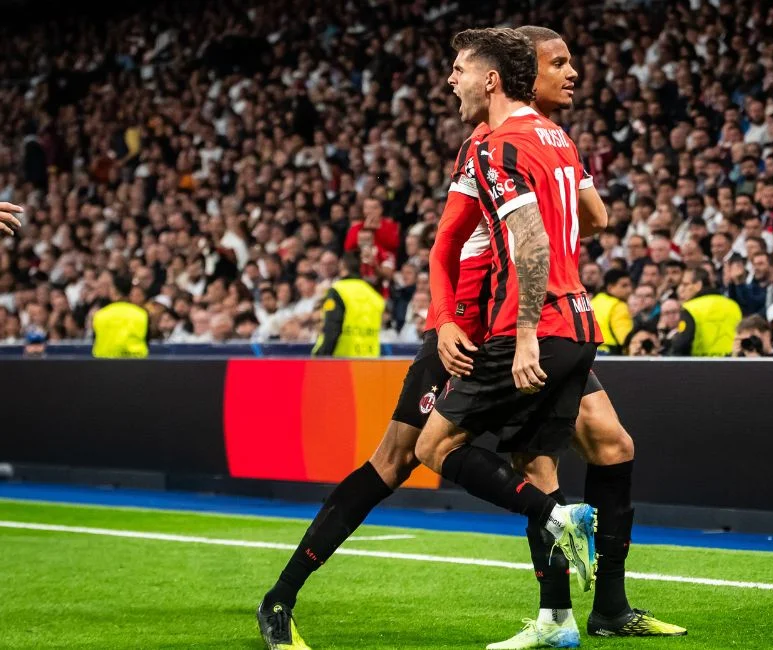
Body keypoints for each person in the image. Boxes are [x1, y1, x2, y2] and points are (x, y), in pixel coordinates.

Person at [257, 26, 683, 650]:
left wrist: (541, 220)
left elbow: (591, 220)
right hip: (473, 332)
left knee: (606, 446)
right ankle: (280, 597)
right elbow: (444, 246)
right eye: (557, 63)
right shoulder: (482, 146)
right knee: (397, 461)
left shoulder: (548, 140)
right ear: (519, 75)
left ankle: (596, 611)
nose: (571, 74)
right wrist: (448, 316)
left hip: (528, 321)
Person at [416, 25, 602, 638]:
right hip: (579, 323)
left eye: (461, 70)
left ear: (491, 79)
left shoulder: (498, 145)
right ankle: (556, 620)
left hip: (537, 326)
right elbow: (593, 218)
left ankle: (557, 519)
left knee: (433, 448)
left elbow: (532, 243)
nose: (452, 80)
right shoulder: (556, 137)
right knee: (536, 461)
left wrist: (523, 336)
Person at [311, 253, 385, 358]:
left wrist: (321, 356)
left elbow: (332, 329)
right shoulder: (374, 294)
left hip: (342, 361)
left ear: (342, 266)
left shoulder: (337, 290)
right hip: (370, 360)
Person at [669, 267, 742, 356]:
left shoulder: (691, 308)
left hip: (701, 365)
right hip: (732, 363)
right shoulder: (733, 305)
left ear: (698, 285)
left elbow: (682, 343)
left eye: (685, 284)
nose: (681, 289)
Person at [92, 275, 150, 359]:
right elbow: (147, 340)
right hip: (136, 365)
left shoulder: (100, 315)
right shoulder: (141, 314)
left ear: (114, 290)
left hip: (104, 365)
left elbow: (95, 340)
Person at [592, 268, 634, 354]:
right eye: (624, 286)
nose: (629, 290)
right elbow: (625, 339)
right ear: (610, 287)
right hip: (610, 354)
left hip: (589, 354)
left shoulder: (592, 302)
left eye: (630, 285)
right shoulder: (618, 306)